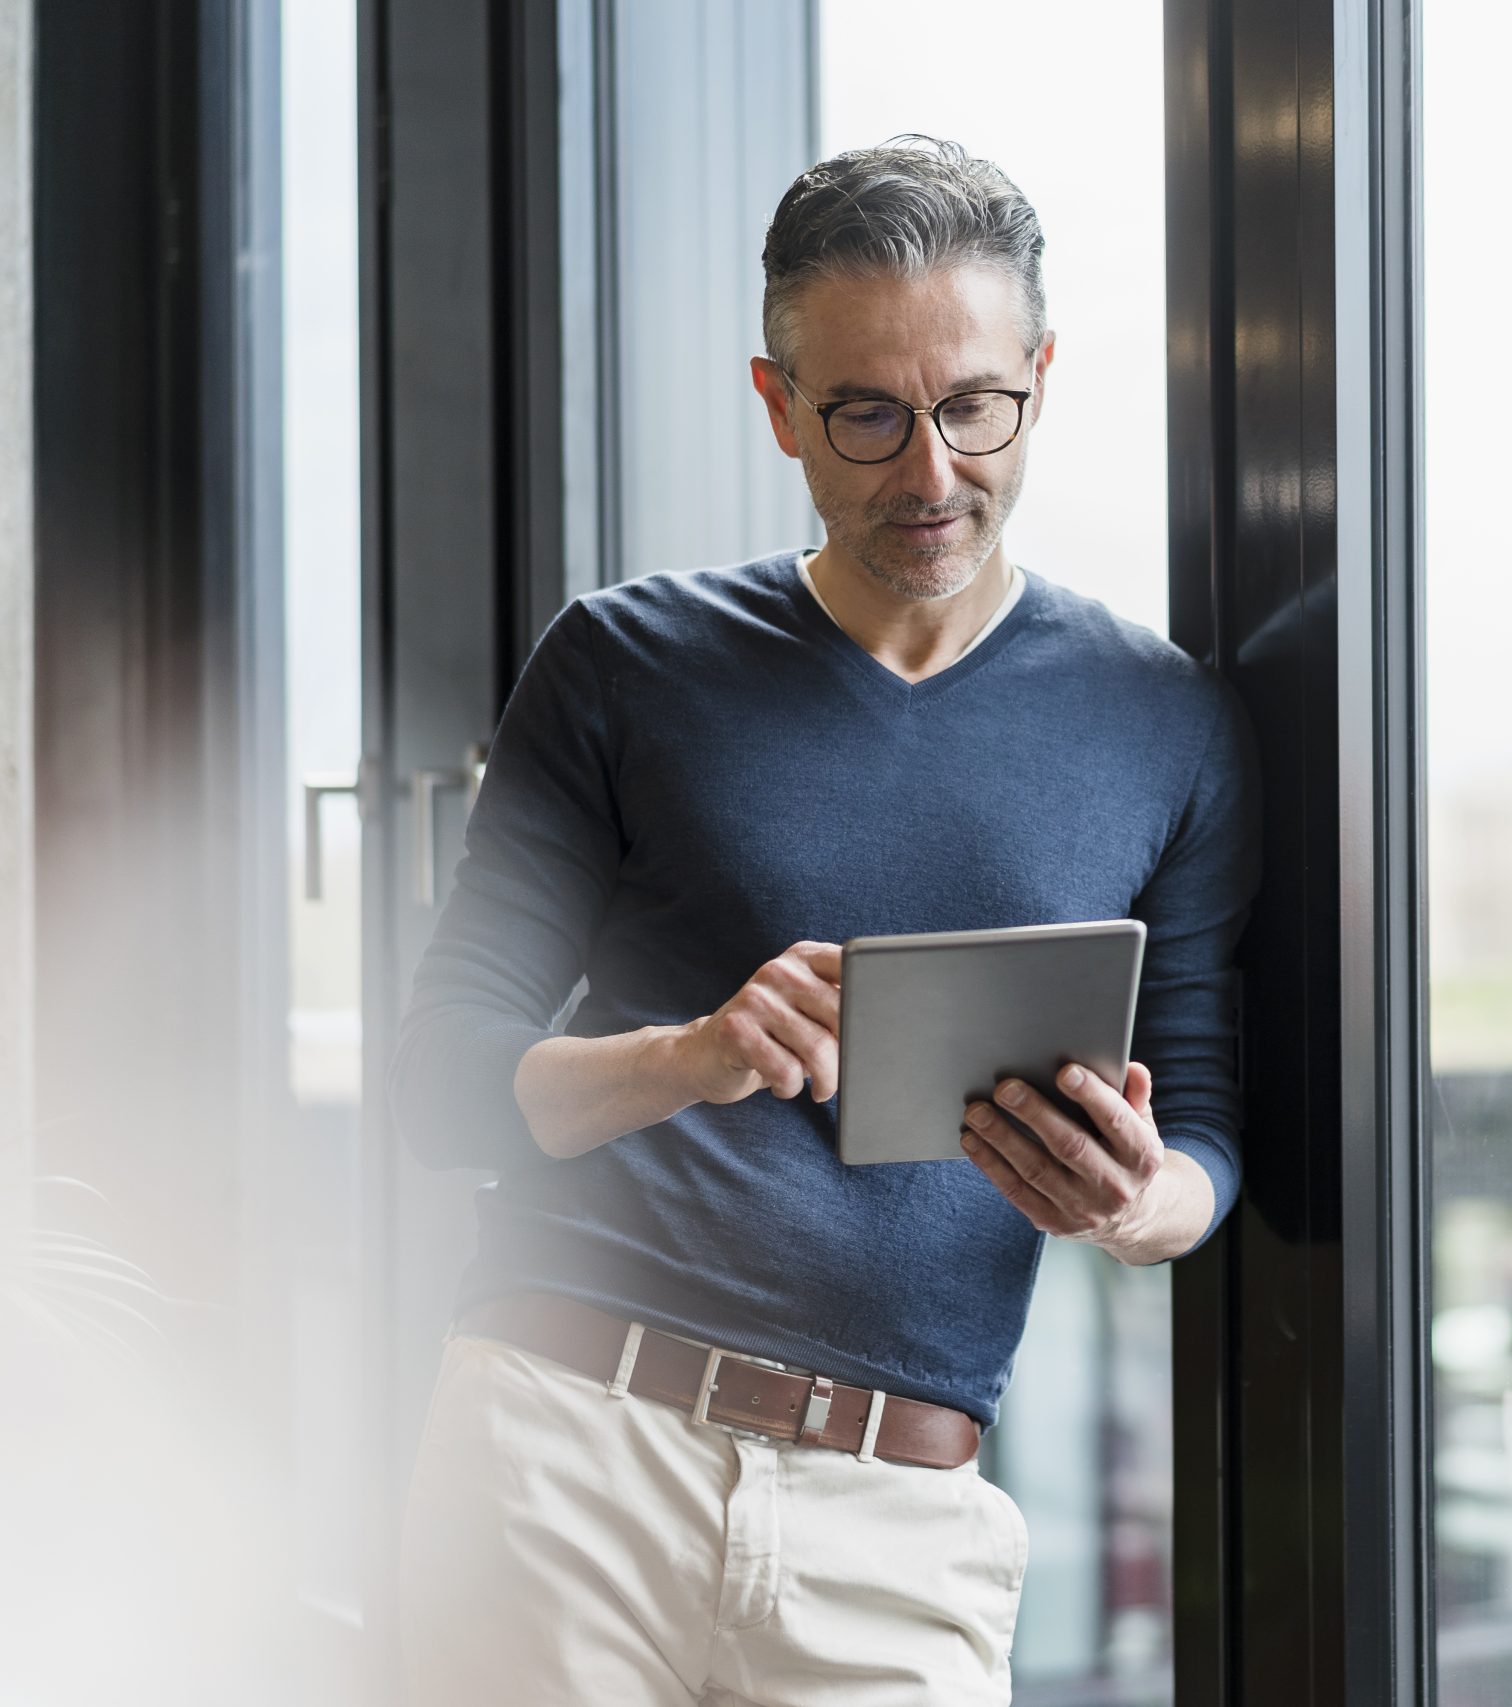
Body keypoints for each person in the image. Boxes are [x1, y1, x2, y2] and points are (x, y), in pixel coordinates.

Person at [389, 136, 1259, 1707]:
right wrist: (689, 1055)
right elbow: (444, 1083)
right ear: (777, 403)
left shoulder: (1166, 722)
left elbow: (1204, 1134)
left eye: (972, 406)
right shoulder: (622, 664)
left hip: (901, 1522)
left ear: (1040, 378)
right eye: (865, 414)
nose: (929, 475)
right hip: (564, 1451)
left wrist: (1137, 1203)